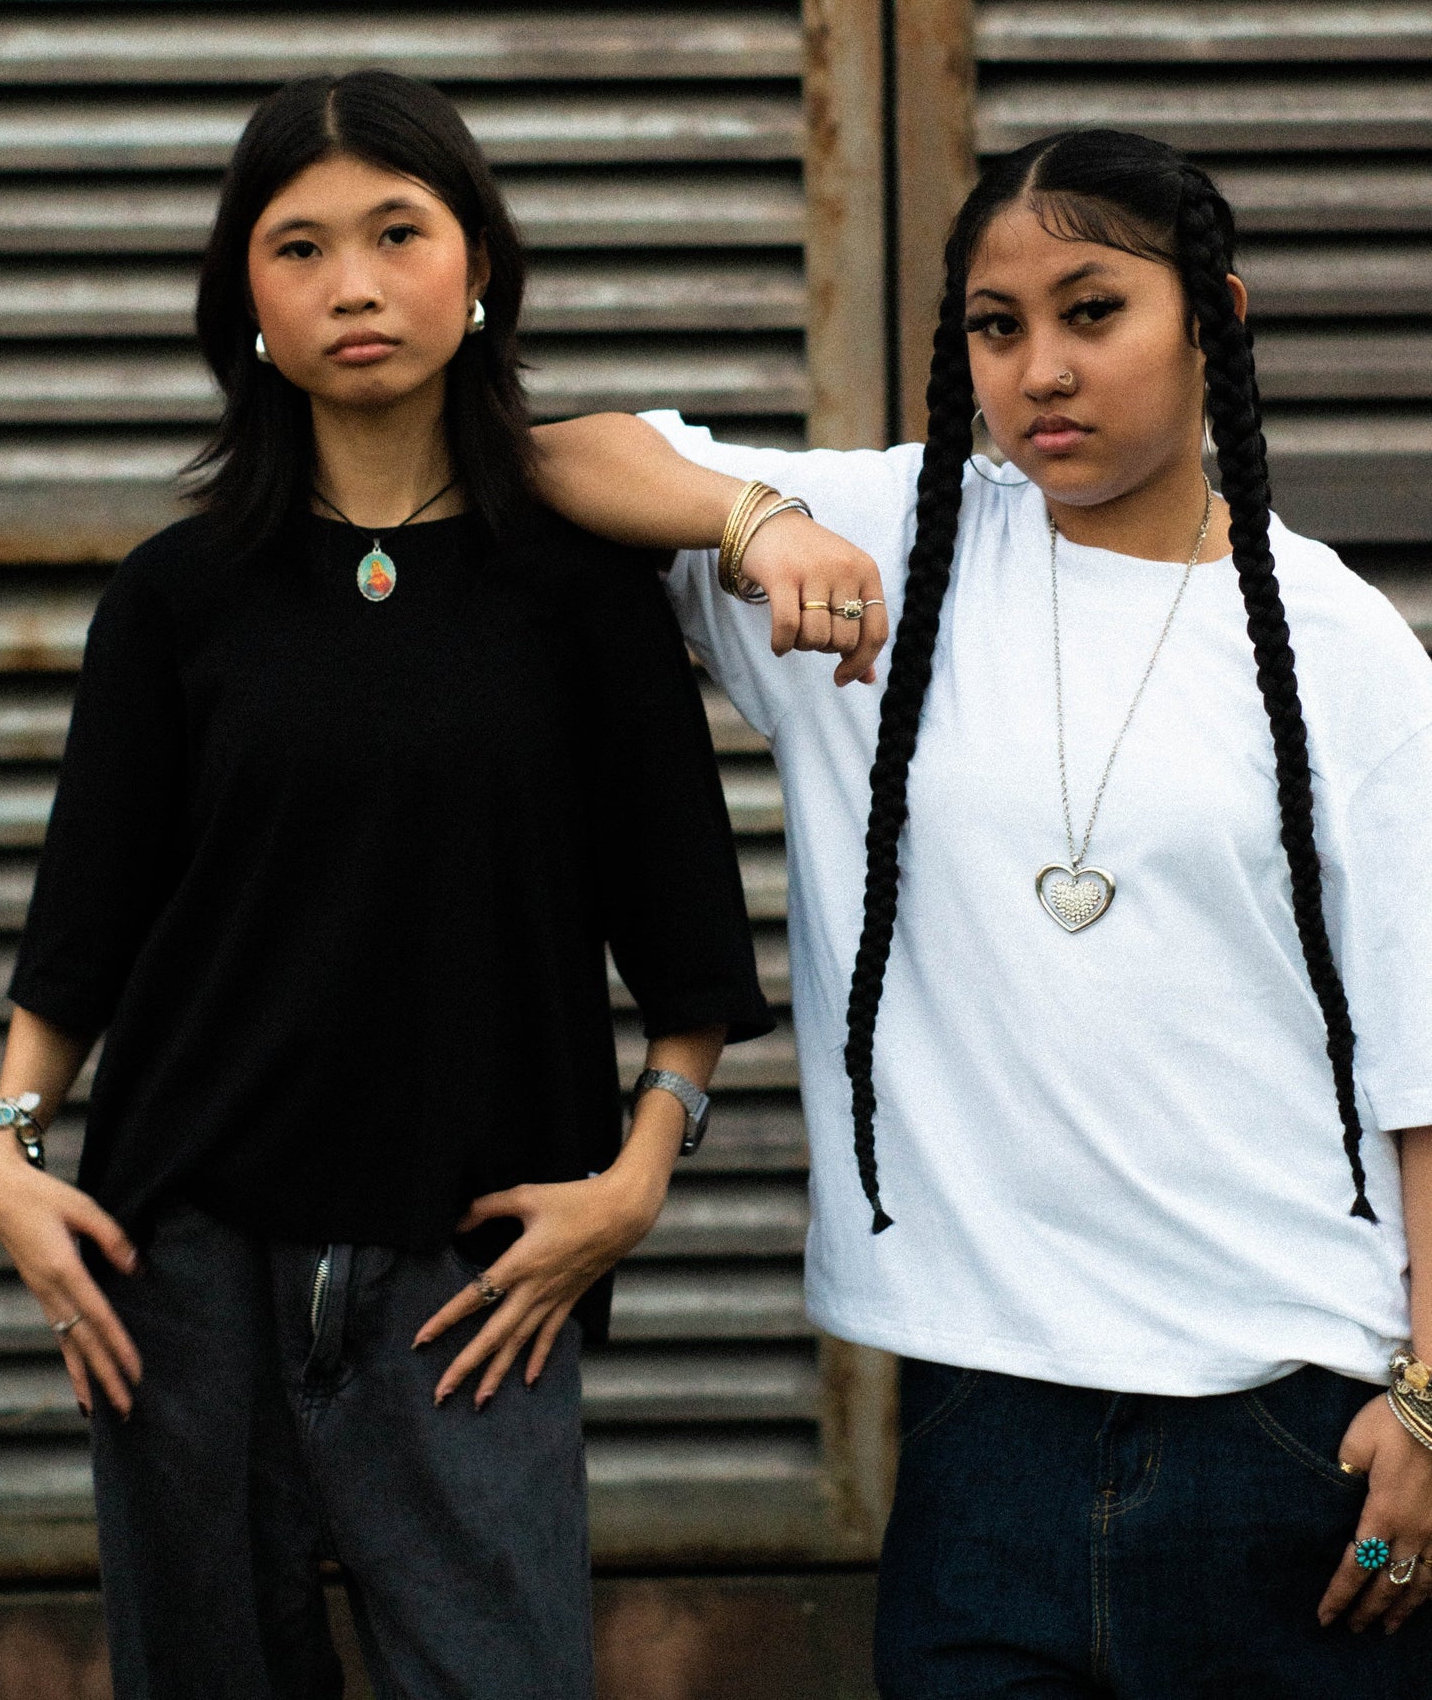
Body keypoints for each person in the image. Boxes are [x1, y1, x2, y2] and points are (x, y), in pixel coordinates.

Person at [533, 130, 1432, 1695]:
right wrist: (757, 523)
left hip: (1292, 1426)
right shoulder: (894, 540)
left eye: (1094, 313)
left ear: (1212, 318)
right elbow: (556, 453)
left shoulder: (1343, 647)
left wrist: (1429, 1404)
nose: (1042, 370)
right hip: (979, 1425)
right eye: (996, 326)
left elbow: (1426, 1062)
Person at [0, 69, 779, 1699]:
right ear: (246, 307)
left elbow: (690, 957)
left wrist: (637, 1179)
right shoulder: (180, 596)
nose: (352, 283)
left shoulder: (577, 588)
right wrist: (5, 1154)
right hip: (183, 1266)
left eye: (396, 231)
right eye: (297, 248)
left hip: (478, 1271)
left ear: (476, 263)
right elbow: (81, 936)